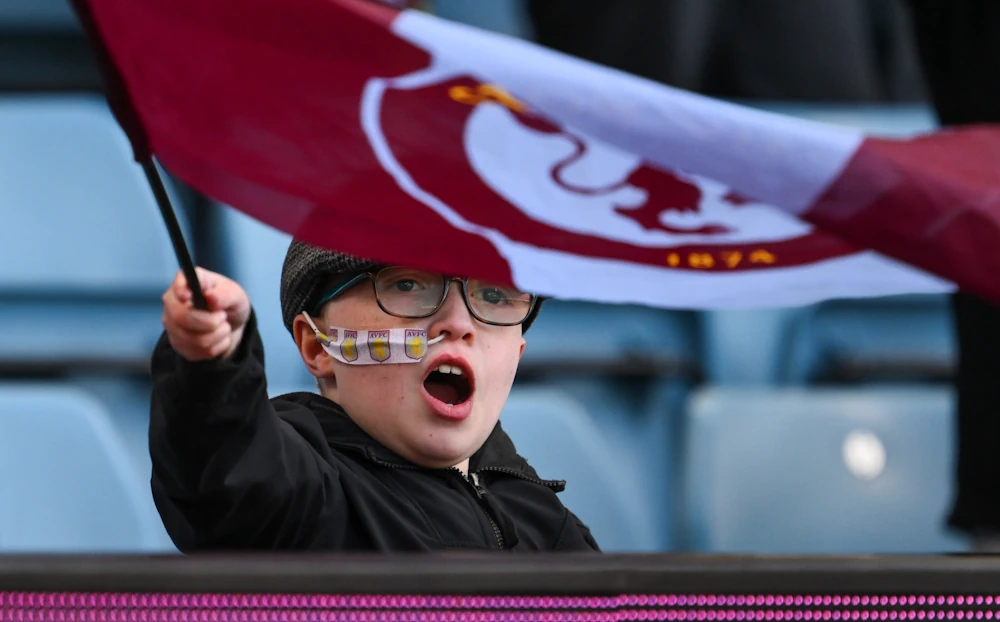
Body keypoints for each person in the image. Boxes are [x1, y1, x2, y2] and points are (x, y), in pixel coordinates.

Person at [149, 239, 601, 552]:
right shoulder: (302, 496)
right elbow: (227, 466)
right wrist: (212, 365)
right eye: (406, 285)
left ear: (517, 354)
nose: (460, 323)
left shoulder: (549, 523)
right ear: (317, 347)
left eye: (495, 295)